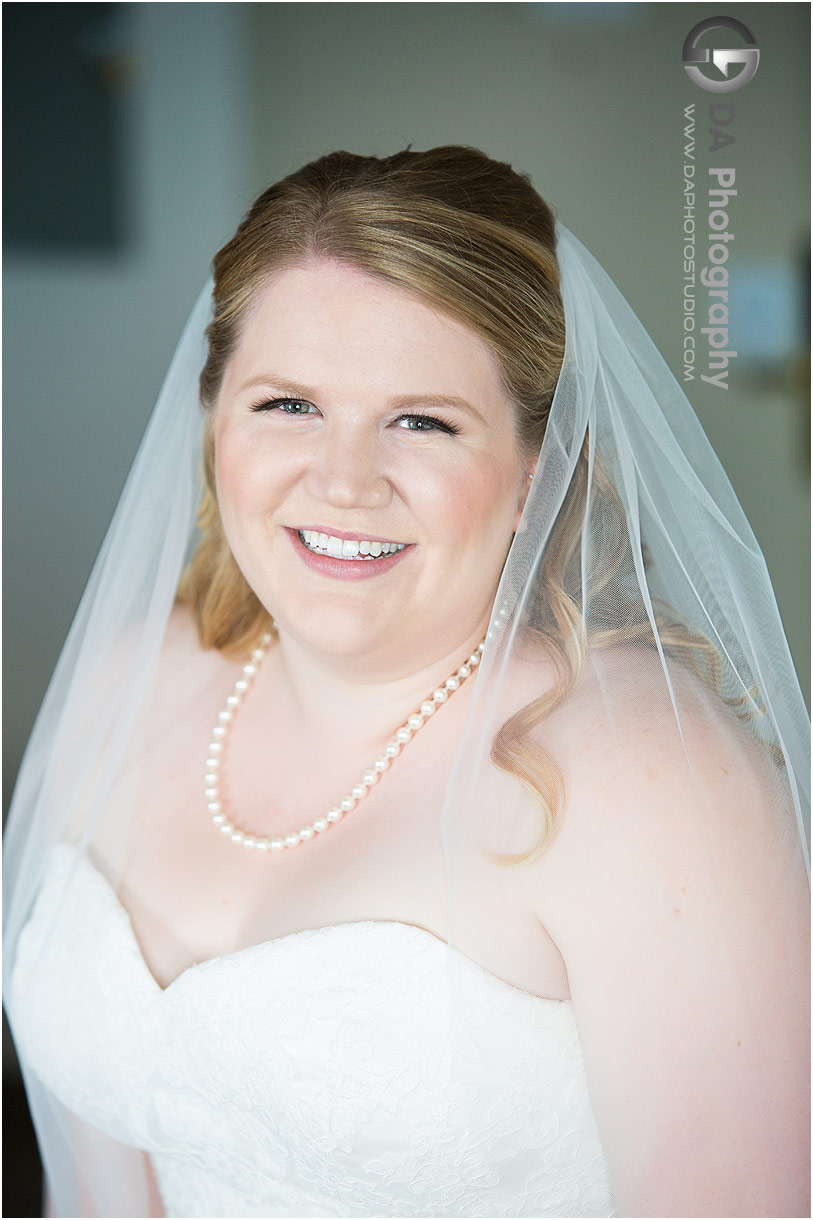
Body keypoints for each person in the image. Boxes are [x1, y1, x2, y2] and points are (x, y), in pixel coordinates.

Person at [4, 146, 809, 1219]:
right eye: (287, 404)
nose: (342, 479)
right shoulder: (129, 680)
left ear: (536, 471)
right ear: (211, 427)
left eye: (422, 420)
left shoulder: (653, 781)